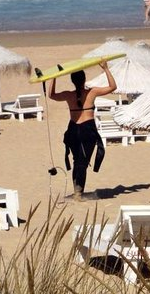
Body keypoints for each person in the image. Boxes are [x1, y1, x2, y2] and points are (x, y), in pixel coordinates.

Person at [49, 61, 117, 201]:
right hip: (87, 129)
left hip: (73, 129)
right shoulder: (92, 92)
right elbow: (113, 87)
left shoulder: (69, 95)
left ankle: (77, 192)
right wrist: (105, 69)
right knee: (83, 163)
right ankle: (78, 193)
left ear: (72, 81)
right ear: (84, 79)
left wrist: (54, 77)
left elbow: (51, 95)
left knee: (77, 161)